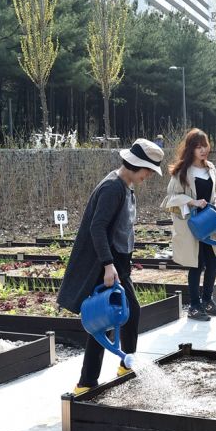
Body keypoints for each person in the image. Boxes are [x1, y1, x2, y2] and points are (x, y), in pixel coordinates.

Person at [57, 138, 164, 394]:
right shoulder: (112, 188)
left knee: (129, 312)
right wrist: (108, 265)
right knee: (101, 321)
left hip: (118, 262)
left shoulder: (125, 186)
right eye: (148, 170)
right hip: (105, 263)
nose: (148, 175)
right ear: (136, 165)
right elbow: (97, 227)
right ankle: (86, 382)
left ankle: (126, 364)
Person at [161, 128, 216, 321]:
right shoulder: (182, 171)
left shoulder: (210, 168)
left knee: (213, 262)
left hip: (209, 222)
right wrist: (193, 202)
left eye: (204, 145)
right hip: (191, 225)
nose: (203, 150)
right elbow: (171, 198)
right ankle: (194, 306)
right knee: (196, 265)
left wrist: (215, 203)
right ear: (191, 149)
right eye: (198, 147)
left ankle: (208, 300)